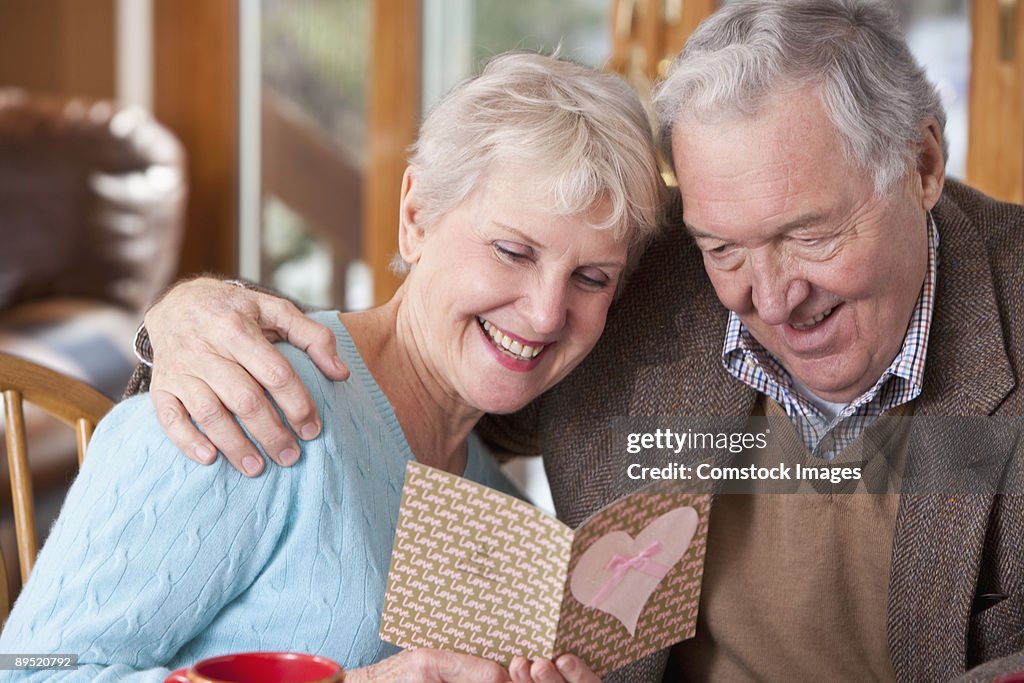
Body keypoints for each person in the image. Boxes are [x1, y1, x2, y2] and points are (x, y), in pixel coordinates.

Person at [121, 1, 1024, 681]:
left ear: (922, 164)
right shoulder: (629, 286)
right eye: (725, 248)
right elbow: (425, 356)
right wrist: (198, 314)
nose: (776, 297)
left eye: (813, 234)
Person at [0, 52, 667, 682]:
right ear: (416, 217)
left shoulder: (507, 519)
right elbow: (29, 669)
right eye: (514, 251)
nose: (548, 312)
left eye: (590, 276)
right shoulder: (243, 391)